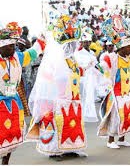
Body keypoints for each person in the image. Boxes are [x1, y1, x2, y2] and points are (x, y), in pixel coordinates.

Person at [26, 15, 87, 161]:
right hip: (57, 100)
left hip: (73, 99)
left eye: (73, 44)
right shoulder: (54, 60)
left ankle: (71, 148)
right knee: (56, 123)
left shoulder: (72, 60)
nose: (71, 47)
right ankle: (54, 151)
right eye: (69, 45)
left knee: (72, 124)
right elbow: (49, 79)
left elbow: (78, 73)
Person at [0, 22, 45, 165]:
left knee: (12, 136)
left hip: (13, 103)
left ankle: (5, 163)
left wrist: (42, 40)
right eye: (9, 46)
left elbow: (32, 52)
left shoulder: (17, 58)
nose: (13, 48)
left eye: (14, 45)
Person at [97, 15, 130, 149]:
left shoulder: (129, 59)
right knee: (115, 116)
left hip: (126, 92)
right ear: (121, 48)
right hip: (116, 92)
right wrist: (107, 85)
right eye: (129, 47)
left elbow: (129, 75)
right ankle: (111, 140)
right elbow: (103, 68)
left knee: (127, 114)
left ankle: (122, 138)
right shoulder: (112, 58)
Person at [74, 31, 99, 122]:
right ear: (82, 43)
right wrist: (87, 65)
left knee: (90, 94)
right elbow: (78, 65)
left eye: (88, 41)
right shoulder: (78, 53)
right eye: (85, 42)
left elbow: (96, 64)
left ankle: (89, 113)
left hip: (92, 76)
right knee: (83, 94)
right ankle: (81, 113)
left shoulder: (92, 53)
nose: (87, 43)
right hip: (84, 77)